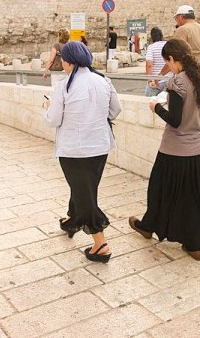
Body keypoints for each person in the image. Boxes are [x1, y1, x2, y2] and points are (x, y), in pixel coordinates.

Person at [128, 38, 200, 261]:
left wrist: (156, 106)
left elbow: (175, 121)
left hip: (174, 151)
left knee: (159, 192)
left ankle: (148, 227)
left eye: (168, 62)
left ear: (171, 59)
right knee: (194, 198)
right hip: (199, 153)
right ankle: (193, 244)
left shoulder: (177, 82)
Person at [43, 41, 122, 263]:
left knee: (84, 192)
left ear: (68, 61)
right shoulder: (103, 80)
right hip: (99, 146)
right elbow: (116, 109)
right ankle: (72, 220)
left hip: (74, 150)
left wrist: (48, 107)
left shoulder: (64, 85)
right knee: (85, 187)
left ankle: (101, 244)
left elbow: (53, 119)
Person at [171, 5, 200, 76]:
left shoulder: (182, 30)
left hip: (191, 76)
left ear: (181, 17)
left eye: (176, 18)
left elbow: (174, 54)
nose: (176, 21)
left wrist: (161, 74)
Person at [145, 27, 168, 97]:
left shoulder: (151, 47)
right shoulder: (167, 44)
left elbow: (149, 65)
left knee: (149, 99)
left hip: (156, 81)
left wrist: (149, 80)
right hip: (168, 79)